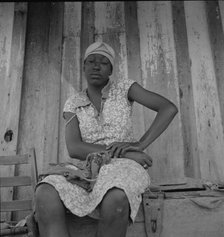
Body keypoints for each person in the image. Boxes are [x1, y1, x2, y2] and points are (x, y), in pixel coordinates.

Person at [34, 41, 178, 237]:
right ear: (83, 66)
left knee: (116, 196)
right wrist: (128, 152)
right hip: (89, 168)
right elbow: (75, 148)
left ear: (111, 69)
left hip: (124, 166)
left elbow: (168, 108)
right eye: (91, 61)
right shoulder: (73, 103)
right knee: (45, 192)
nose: (96, 66)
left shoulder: (125, 89)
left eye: (103, 62)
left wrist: (140, 144)